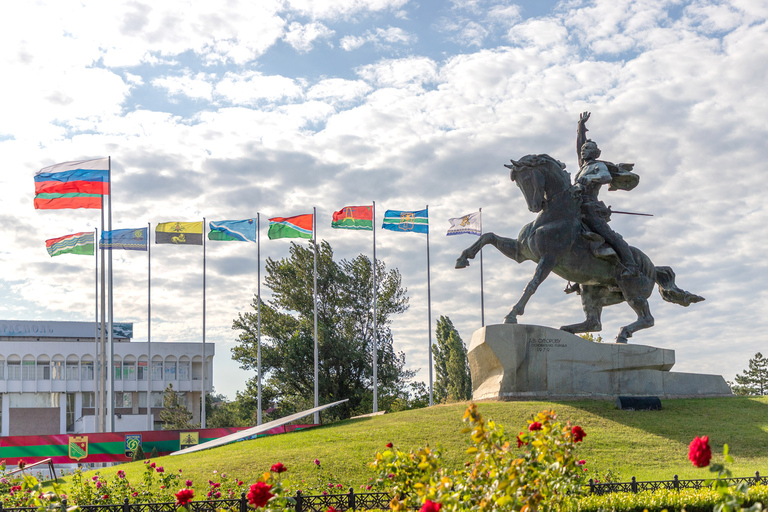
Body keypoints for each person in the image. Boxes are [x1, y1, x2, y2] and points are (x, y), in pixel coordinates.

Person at [575, 112, 639, 277]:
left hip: (591, 208)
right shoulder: (583, 165)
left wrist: (590, 178)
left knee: (608, 235)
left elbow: (606, 177)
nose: (584, 151)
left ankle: (630, 264)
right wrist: (580, 127)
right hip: (575, 207)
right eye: (583, 149)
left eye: (588, 149)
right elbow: (579, 144)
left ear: (596, 153)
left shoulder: (597, 166)